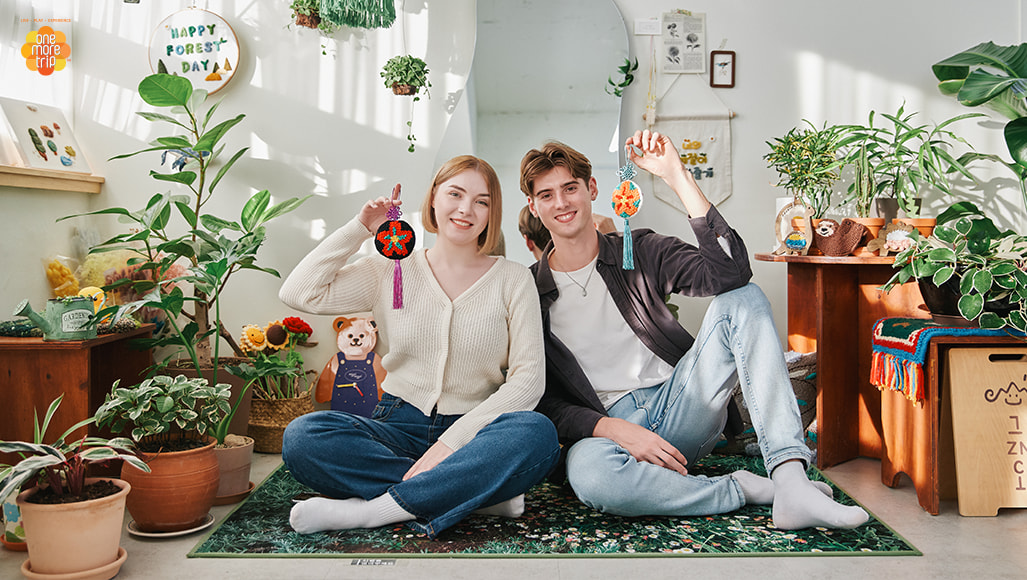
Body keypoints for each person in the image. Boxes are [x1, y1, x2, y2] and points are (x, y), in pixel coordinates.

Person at [519, 131, 869, 530]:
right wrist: (611, 428)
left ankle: (790, 478)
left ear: (591, 188)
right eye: (546, 195)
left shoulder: (641, 251)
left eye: (570, 188)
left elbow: (731, 273)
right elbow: (540, 397)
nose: (561, 202)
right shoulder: (528, 291)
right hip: (605, 433)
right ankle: (744, 489)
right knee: (592, 479)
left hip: (679, 407)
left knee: (743, 298)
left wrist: (677, 175)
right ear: (533, 205)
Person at [279, 155, 560, 539]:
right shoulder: (389, 268)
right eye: (455, 194)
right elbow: (298, 293)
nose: (466, 209)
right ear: (432, 199)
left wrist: (450, 445)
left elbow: (528, 382)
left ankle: (372, 512)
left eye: (481, 201)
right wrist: (360, 228)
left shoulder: (512, 279)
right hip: (397, 424)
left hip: (476, 433)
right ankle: (478, 493)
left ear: (492, 212)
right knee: (302, 437)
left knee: (538, 434)